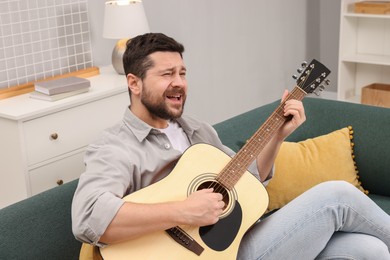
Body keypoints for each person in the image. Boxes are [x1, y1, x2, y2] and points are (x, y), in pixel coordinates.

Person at [72, 33, 390, 259]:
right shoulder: (115, 147)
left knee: (369, 250)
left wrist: (278, 134)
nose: (179, 82)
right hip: (204, 255)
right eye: (167, 73)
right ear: (134, 83)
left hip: (239, 241)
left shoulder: (197, 130)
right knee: (337, 196)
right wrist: (184, 210)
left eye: (182, 73)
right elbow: (88, 218)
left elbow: (249, 180)